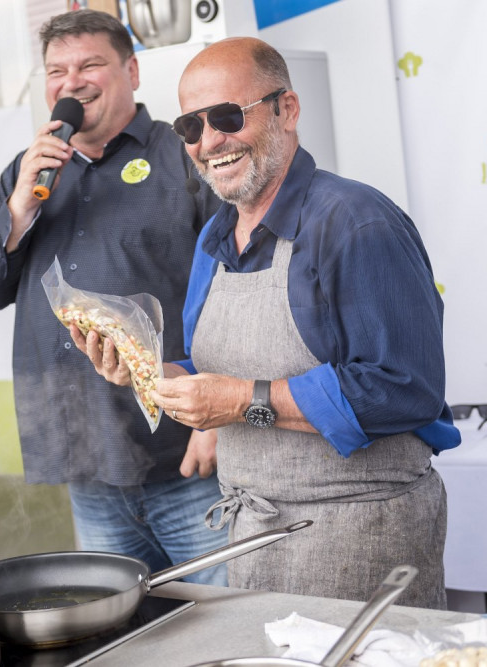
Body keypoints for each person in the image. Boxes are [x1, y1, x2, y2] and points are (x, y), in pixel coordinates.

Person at [75, 37, 461, 609]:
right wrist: (148, 371)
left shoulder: (355, 222)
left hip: (362, 543)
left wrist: (239, 402)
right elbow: (219, 373)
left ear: (287, 109)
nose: (209, 142)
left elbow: (405, 391)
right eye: (190, 127)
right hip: (254, 543)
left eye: (228, 117)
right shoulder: (213, 241)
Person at [0, 9, 227, 585]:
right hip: (87, 468)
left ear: (131, 71)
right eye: (57, 70)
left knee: (226, 629)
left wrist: (220, 421)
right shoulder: (25, 173)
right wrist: (19, 210)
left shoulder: (184, 154)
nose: (70, 83)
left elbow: (244, 291)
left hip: (188, 460)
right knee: (125, 637)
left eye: (90, 65)